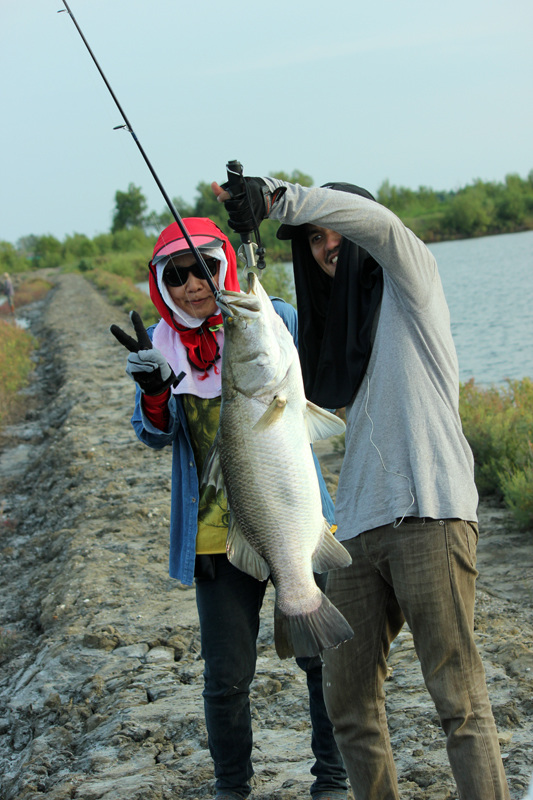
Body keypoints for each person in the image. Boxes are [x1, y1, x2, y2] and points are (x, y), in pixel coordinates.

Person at [212, 176, 511, 800]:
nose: (327, 246)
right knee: (346, 702)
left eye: (335, 231)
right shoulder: (330, 335)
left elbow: (373, 224)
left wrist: (277, 199)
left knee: (458, 701)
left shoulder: (413, 282)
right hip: (355, 528)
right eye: (314, 240)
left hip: (431, 515)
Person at [110, 216, 348, 800]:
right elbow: (155, 435)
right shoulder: (159, 350)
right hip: (217, 544)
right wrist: (156, 393)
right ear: (163, 285)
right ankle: (231, 788)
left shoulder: (275, 321)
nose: (195, 284)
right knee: (225, 678)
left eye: (207, 268)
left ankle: (334, 779)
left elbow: (320, 321)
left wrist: (260, 230)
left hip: (297, 518)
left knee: (324, 669)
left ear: (228, 267)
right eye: (179, 275)